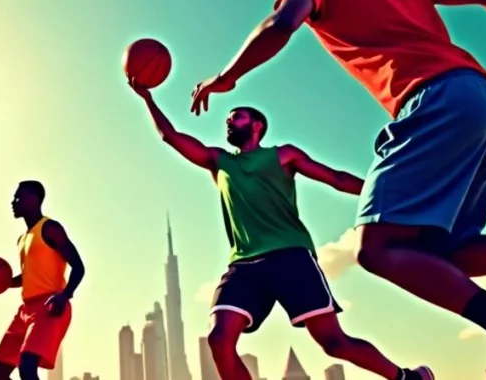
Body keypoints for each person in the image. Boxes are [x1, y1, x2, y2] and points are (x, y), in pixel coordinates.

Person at [188, 0, 486, 378]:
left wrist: (225, 78)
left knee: (377, 249)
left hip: (435, 99)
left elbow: (281, 25)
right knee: (446, 249)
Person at [130, 85, 432, 380]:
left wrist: (389, 193)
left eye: (237, 116)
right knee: (219, 338)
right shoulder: (220, 162)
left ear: (257, 125)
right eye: (229, 118)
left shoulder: (284, 155)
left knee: (334, 343)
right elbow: (170, 136)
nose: (229, 121)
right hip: (244, 264)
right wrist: (147, 97)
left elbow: (336, 178)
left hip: (290, 256)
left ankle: (406, 377)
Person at [0, 180, 84, 380]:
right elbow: (27, 277)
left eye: (18, 196)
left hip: (49, 306)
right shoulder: (22, 239)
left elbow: (78, 266)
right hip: (25, 311)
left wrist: (65, 296)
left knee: (27, 367)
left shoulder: (50, 228)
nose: (13, 201)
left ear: (34, 200)